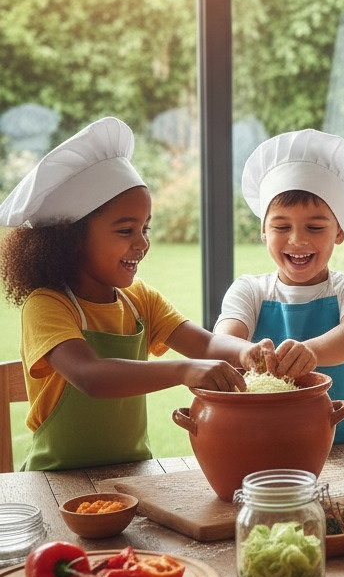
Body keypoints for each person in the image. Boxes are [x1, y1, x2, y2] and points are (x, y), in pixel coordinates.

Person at [0, 117, 268, 471]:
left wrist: (247, 352)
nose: (142, 243)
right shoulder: (48, 305)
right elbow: (90, 375)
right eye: (126, 230)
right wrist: (184, 370)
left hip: (134, 472)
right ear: (72, 237)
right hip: (57, 479)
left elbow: (203, 344)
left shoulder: (139, 300)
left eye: (145, 228)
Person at [215, 129, 344, 443]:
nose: (297, 239)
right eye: (281, 226)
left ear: (339, 232)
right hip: (260, 444)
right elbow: (223, 342)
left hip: (343, 445)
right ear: (263, 231)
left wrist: (312, 352)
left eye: (315, 226)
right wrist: (246, 352)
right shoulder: (249, 291)